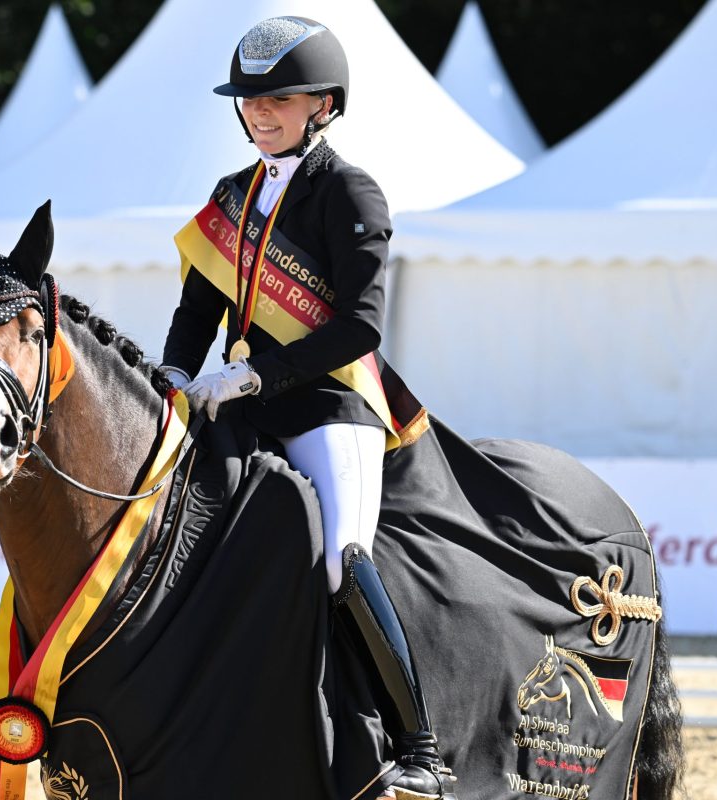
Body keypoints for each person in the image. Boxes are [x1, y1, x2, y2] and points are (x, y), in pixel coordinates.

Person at [160, 16, 457, 800]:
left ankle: (416, 744)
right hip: (237, 404)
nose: (260, 112)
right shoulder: (232, 196)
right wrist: (171, 373)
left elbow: (360, 324)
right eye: (250, 100)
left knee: (340, 561)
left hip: (328, 405)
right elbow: (197, 311)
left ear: (323, 105)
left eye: (279, 99)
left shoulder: (348, 190)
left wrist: (257, 375)